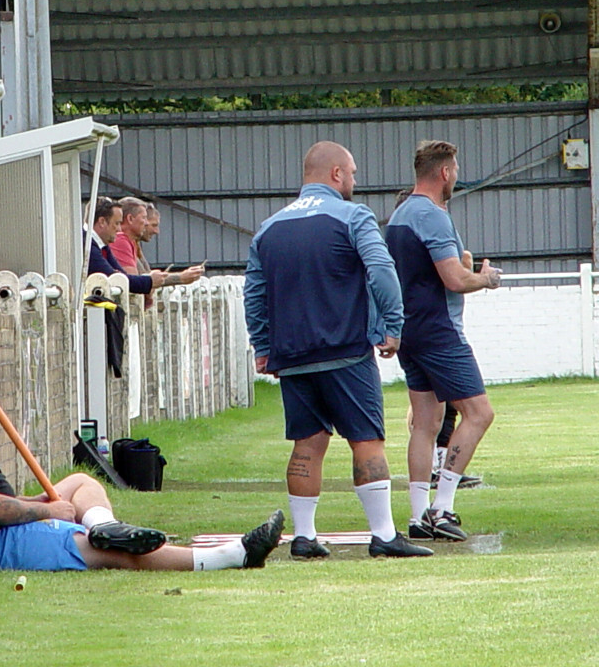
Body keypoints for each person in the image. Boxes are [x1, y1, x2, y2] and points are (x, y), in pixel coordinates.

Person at [0, 339, 286, 571]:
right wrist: (47, 511)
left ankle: (105, 526)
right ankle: (233, 556)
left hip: (2, 529)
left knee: (81, 481)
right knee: (114, 554)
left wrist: (37, 503)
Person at [244, 140, 432, 560]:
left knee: (306, 444)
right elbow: (381, 269)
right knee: (367, 440)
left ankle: (304, 537)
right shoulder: (353, 216)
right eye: (352, 173)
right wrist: (393, 325)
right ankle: (383, 534)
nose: (354, 181)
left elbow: (254, 292)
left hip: (293, 356)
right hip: (346, 351)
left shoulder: (268, 228)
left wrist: (263, 345)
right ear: (336, 173)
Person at [385, 140, 501, 542]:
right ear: (444, 173)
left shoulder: (400, 215)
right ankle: (442, 508)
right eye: (455, 171)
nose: (456, 178)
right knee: (479, 413)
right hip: (439, 331)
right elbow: (453, 278)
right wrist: (485, 278)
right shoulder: (432, 215)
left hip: (410, 330)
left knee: (426, 424)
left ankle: (418, 515)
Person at [109, 197, 204, 308]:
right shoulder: (120, 241)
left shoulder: (131, 243)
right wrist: (180, 278)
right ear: (130, 219)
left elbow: (142, 281)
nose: (146, 224)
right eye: (144, 218)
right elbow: (136, 285)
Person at [86, 197, 167, 295]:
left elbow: (121, 276)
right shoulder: (87, 246)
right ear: (102, 222)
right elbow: (115, 278)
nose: (119, 229)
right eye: (117, 223)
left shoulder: (101, 244)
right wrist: (149, 281)